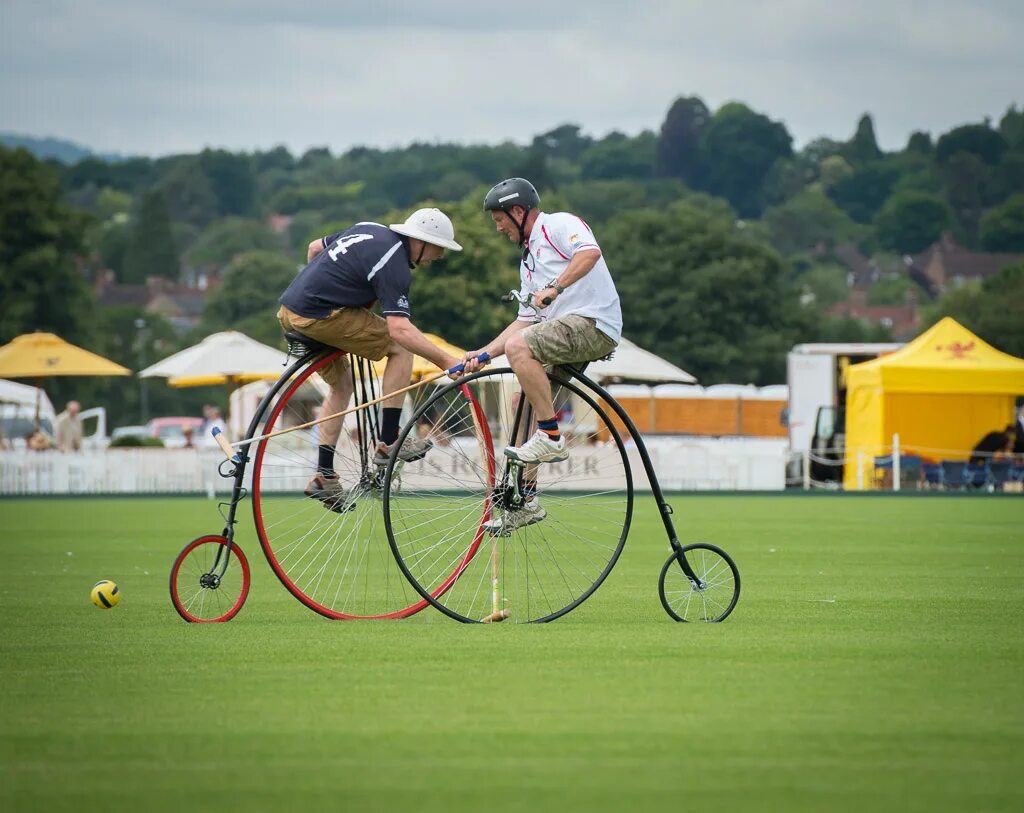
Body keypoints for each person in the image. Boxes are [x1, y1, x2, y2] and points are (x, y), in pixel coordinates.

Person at [277, 207, 464, 510]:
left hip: (290, 312)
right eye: (438, 249)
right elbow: (400, 330)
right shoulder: (396, 264)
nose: (438, 257)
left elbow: (314, 248)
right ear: (422, 242)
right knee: (400, 348)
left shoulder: (368, 227)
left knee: (343, 386)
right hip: (320, 317)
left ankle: (324, 475)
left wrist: (326, 289)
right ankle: (389, 441)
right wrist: (446, 361)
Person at [463, 178, 622, 533]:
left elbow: (589, 254)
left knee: (522, 351)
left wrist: (555, 288)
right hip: (561, 330)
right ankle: (526, 500)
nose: (498, 227)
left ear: (519, 212)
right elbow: (524, 322)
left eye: (500, 219)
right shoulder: (528, 262)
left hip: (593, 322)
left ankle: (551, 437)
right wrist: (484, 354)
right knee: (525, 398)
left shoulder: (558, 225)